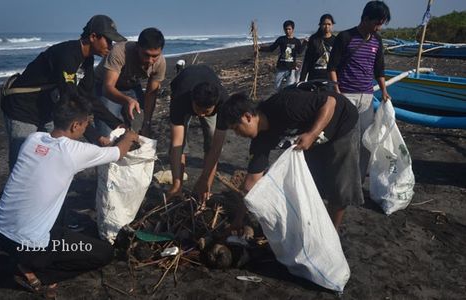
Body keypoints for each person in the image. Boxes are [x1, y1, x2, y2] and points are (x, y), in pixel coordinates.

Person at [0, 94, 139, 299]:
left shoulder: (33, 139)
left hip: (0, 232)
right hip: (29, 247)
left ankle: (30, 260)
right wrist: (130, 136)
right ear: (75, 125)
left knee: (59, 201)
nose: (84, 129)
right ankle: (38, 274)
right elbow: (118, 152)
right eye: (85, 126)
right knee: (104, 253)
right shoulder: (74, 150)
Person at [216, 88, 363, 231]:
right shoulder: (260, 141)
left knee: (340, 183)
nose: (237, 134)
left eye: (236, 128)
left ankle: (333, 232)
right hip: (312, 139)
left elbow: (330, 102)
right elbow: (250, 184)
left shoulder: (284, 105)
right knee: (311, 183)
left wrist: (312, 134)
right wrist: (239, 219)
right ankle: (314, 228)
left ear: (247, 117)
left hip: (340, 124)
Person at [0, 15, 127, 171]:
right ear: (93, 37)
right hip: (22, 107)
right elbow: (71, 99)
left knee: (52, 155)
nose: (111, 45)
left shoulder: (87, 61)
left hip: (47, 107)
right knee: (22, 160)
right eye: (108, 40)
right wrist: (95, 136)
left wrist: (116, 123)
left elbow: (89, 97)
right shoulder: (67, 54)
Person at [327, 1, 391, 182]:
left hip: (367, 97)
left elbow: (379, 69)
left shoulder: (377, 41)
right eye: (377, 23)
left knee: (366, 141)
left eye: (381, 23)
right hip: (346, 96)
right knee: (345, 140)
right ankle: (339, 177)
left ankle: (359, 179)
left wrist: (384, 91)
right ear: (365, 18)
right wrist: (337, 91)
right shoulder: (345, 37)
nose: (379, 28)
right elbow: (332, 67)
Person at [166, 65, 229, 201]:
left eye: (206, 112)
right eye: (198, 109)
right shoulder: (180, 100)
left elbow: (216, 147)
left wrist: (205, 179)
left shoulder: (224, 102)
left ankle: (205, 191)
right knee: (180, 144)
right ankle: (178, 187)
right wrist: (176, 183)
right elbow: (177, 144)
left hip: (207, 77)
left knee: (211, 141)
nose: (200, 115)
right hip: (183, 84)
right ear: (192, 101)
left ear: (215, 104)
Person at [95, 27, 166, 137]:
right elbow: (108, 87)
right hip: (105, 85)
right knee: (108, 132)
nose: (150, 60)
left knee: (138, 124)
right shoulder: (120, 52)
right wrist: (127, 100)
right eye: (146, 55)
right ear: (137, 47)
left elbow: (151, 94)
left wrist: (147, 123)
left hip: (131, 85)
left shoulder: (160, 62)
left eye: (155, 56)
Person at [260, 20, 306, 90]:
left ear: (293, 29)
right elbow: (271, 48)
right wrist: (260, 49)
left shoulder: (296, 41)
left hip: (291, 68)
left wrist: (304, 44)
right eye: (286, 29)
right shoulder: (281, 39)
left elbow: (299, 52)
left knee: (290, 87)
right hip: (281, 67)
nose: (287, 31)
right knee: (277, 86)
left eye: (289, 29)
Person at [299, 14, 336, 82]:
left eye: (329, 24)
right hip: (314, 77)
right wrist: (302, 80)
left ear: (332, 25)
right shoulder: (314, 39)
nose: (327, 26)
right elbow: (307, 61)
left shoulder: (336, 40)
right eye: (324, 24)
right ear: (320, 25)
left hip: (330, 79)